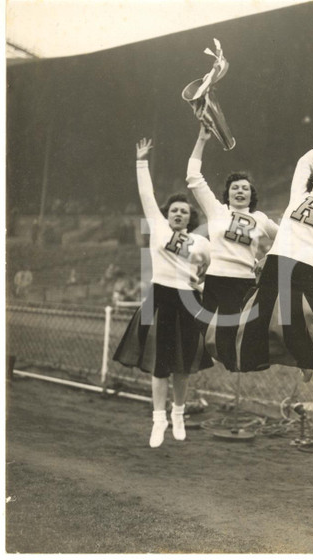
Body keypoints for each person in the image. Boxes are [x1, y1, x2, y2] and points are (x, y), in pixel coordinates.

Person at [113, 138, 214, 448]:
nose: (179, 214)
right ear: (168, 213)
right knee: (159, 364)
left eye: (184, 211)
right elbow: (146, 193)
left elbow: (208, 270)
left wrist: (201, 284)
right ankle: (159, 420)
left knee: (182, 365)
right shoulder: (157, 226)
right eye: (174, 210)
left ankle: (179, 413)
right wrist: (141, 161)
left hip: (187, 300)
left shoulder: (201, 243)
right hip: (160, 298)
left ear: (190, 217)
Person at [235, 132, 313, 375]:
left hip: (307, 272)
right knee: (259, 322)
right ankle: (298, 361)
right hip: (275, 266)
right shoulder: (299, 195)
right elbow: (305, 161)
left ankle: (310, 364)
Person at [186, 126, 279, 371]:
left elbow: (288, 239)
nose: (240, 191)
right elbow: (194, 178)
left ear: (252, 195)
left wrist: (267, 257)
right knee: (202, 337)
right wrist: (201, 140)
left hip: (243, 284)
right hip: (215, 281)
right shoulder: (216, 210)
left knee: (233, 343)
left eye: (245, 188)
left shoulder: (261, 219)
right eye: (235, 187)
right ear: (227, 193)